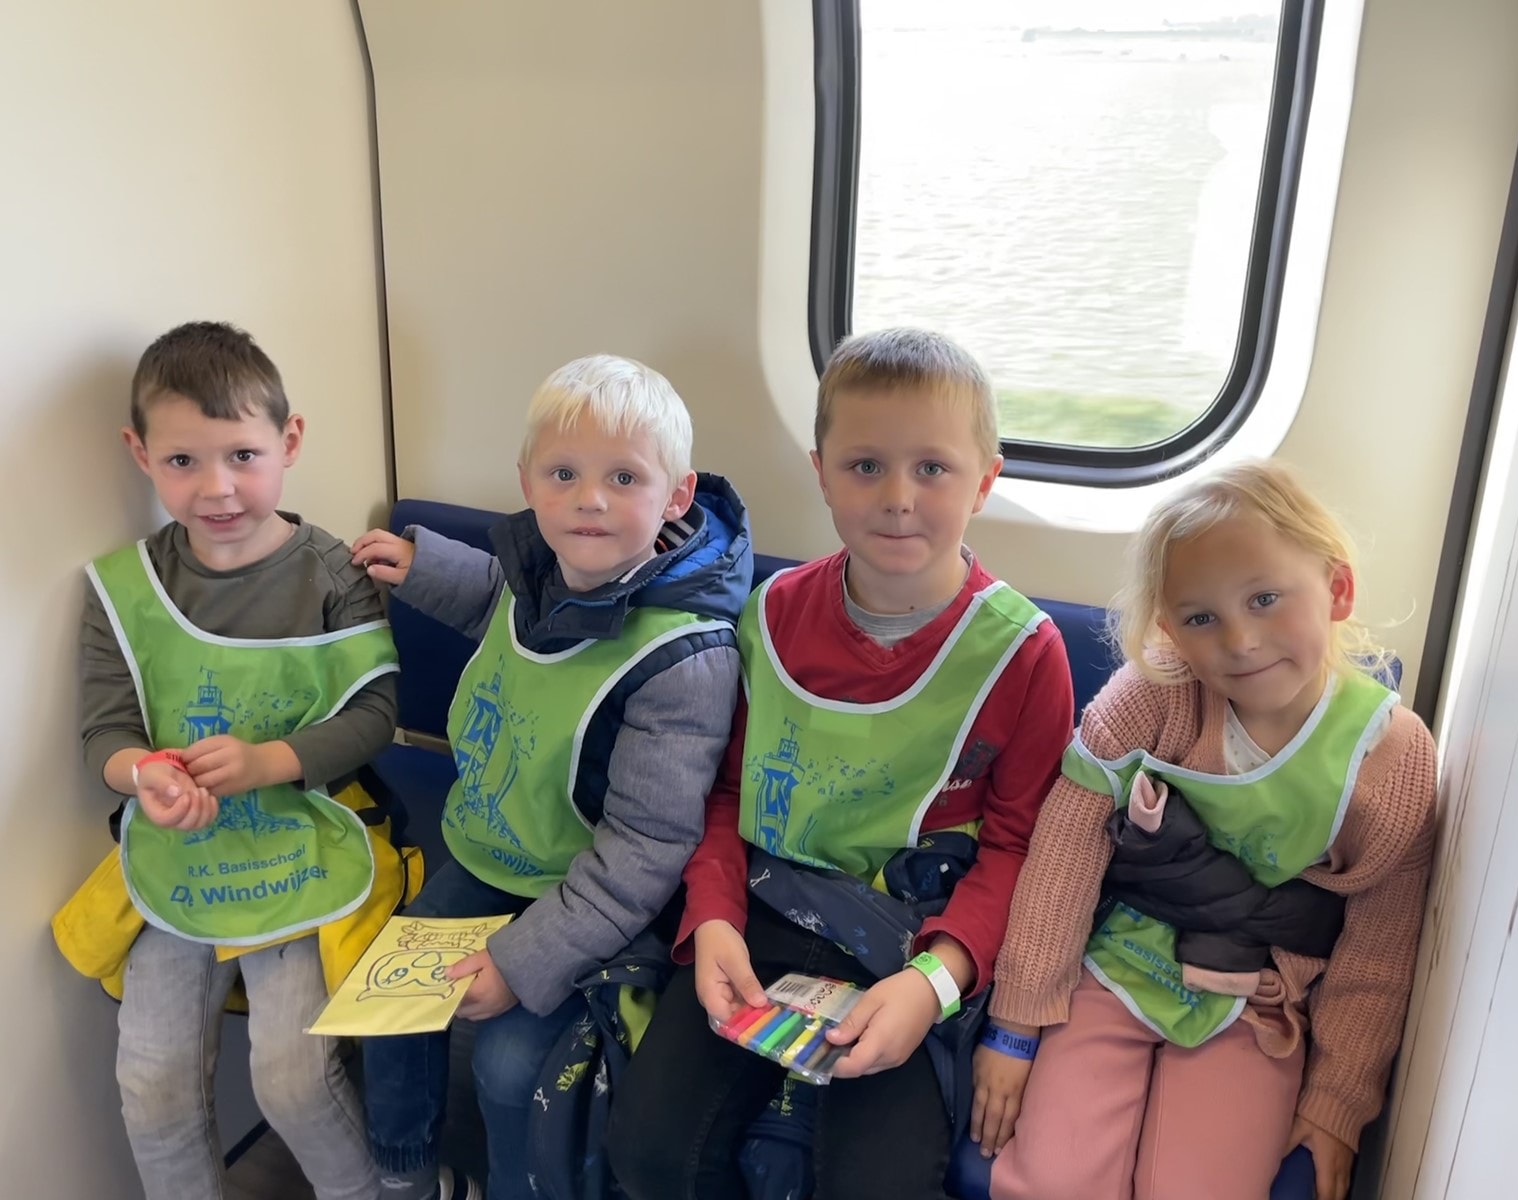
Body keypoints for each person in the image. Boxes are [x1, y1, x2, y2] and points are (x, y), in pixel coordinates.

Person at [607, 327, 1074, 1200]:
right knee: (650, 1154)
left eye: (932, 468)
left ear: (985, 480)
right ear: (821, 472)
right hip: (765, 908)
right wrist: (712, 921)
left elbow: (1019, 849)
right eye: (866, 467)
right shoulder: (771, 614)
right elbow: (727, 794)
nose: (898, 498)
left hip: (913, 937)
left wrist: (934, 984)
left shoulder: (1024, 653)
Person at [980, 459, 1438, 1200]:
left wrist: (1337, 1101)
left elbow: (1380, 944)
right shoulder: (1153, 696)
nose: (1241, 640)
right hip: (1113, 964)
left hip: (1257, 999)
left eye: (1265, 599)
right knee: (1053, 1180)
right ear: (1170, 632)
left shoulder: (1391, 758)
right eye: (1201, 618)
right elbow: (1066, 847)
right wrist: (1018, 1022)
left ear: (1337, 590)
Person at [352, 354, 751, 1200]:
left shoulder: (683, 658)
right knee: (389, 1000)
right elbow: (494, 601)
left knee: (507, 1066)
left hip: (598, 898)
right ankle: (407, 1175)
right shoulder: (538, 574)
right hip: (492, 858)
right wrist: (420, 564)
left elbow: (646, 849)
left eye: (623, 477)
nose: (589, 499)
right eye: (563, 474)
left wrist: (519, 962)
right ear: (527, 483)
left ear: (676, 496)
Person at [69, 320, 402, 1200]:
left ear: (289, 442)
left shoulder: (332, 572)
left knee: (292, 1079)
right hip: (179, 853)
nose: (217, 489)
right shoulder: (124, 590)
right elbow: (104, 733)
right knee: (152, 1084)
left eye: (243, 456)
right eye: (183, 461)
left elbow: (375, 715)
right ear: (140, 454)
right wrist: (144, 775)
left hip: (306, 837)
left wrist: (268, 762)